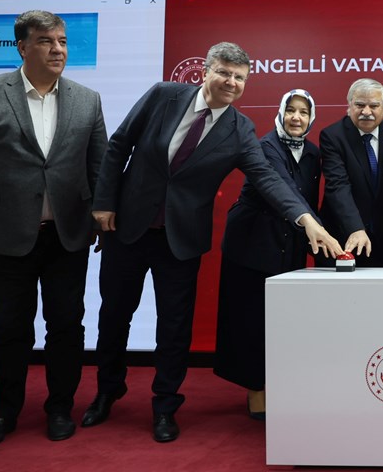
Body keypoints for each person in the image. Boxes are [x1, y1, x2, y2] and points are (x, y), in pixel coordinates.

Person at [85, 42, 340, 443]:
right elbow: (119, 144)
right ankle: (107, 391)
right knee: (114, 316)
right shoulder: (163, 95)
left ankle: (165, 405)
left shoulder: (240, 130)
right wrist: (103, 202)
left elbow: (268, 179)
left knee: (174, 327)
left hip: (181, 240)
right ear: (205, 71)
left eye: (239, 77)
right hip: (128, 229)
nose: (231, 82)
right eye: (224, 72)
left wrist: (307, 220)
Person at [0, 10, 107, 445]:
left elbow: (100, 165)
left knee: (66, 326)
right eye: (46, 41)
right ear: (22, 47)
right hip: (5, 234)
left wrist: (102, 215)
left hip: (67, 235)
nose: (58, 49)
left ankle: (60, 407)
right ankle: (5, 409)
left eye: (62, 41)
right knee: (9, 330)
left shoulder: (87, 99)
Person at [214, 89, 324, 421]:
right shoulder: (264, 147)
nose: (296, 117)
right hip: (252, 244)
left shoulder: (313, 153)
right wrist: (317, 228)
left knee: (281, 322)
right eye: (291, 110)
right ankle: (255, 390)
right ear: (280, 112)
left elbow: (309, 199)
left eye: (304, 112)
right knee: (250, 321)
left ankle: (276, 382)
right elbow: (283, 192)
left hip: (288, 246)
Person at [318, 78, 383, 267]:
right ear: (349, 105)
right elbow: (338, 187)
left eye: (374, 105)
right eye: (360, 105)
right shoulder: (333, 136)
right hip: (343, 239)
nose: (366, 112)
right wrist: (355, 228)